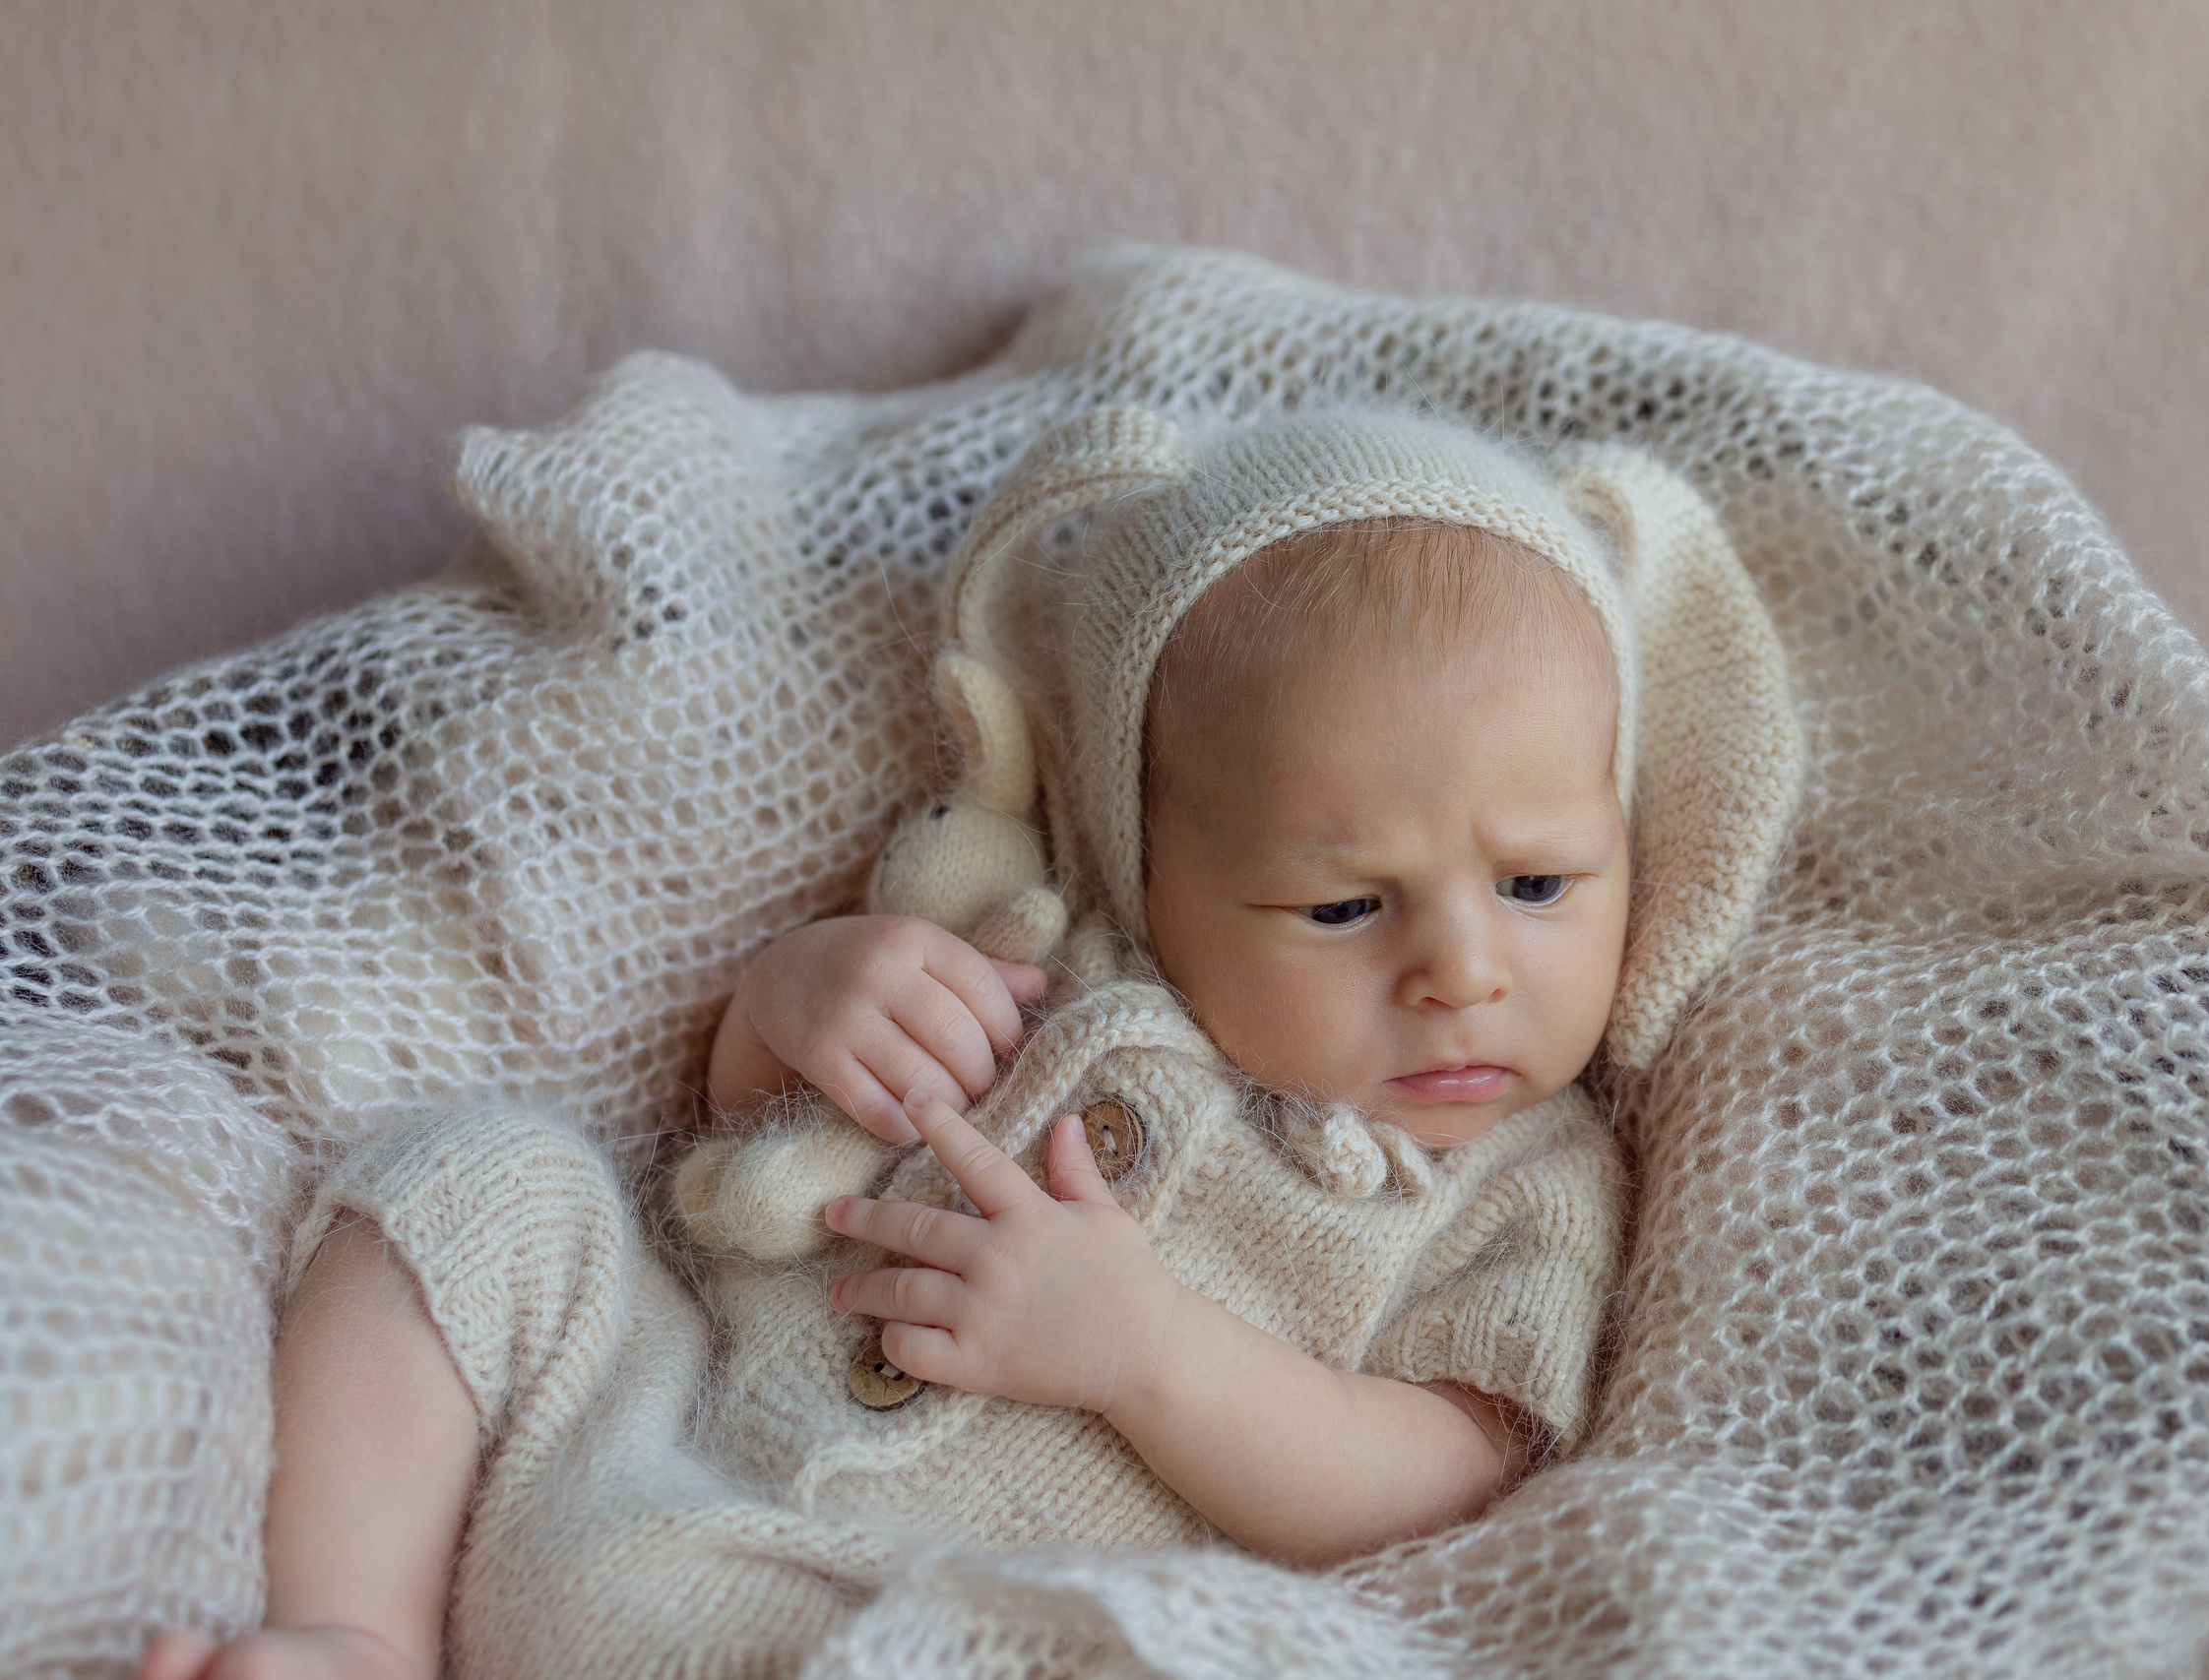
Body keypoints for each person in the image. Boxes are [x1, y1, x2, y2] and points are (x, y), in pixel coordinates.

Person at [138, 404, 1798, 1680]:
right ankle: (352, 1631)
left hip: (961, 1620)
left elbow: (1437, 1484)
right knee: (470, 1185)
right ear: (1146, 862)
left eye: (1536, 882)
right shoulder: (1031, 955)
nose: (1460, 971)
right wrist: (793, 1009)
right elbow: (759, 1156)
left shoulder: (1521, 1177)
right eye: (1344, 908)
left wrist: (1150, 1355)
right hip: (647, 1468)